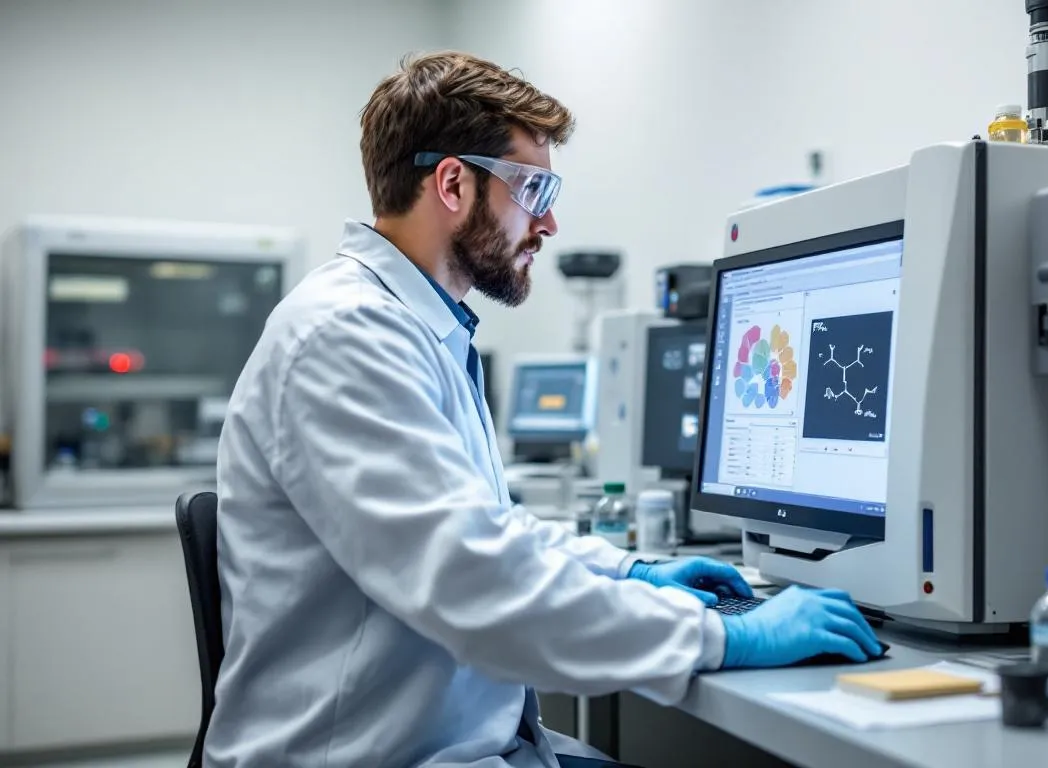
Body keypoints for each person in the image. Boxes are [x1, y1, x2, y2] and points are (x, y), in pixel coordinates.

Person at [207, 51, 882, 768]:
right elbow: (476, 581)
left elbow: (489, 534)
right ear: (453, 183)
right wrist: (728, 638)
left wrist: (629, 575)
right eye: (534, 188)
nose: (550, 221)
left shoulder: (414, 328)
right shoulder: (343, 337)